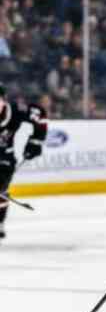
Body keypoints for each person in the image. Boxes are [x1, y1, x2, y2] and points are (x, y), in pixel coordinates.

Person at [0, 83, 48, 240]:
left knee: (1, 189)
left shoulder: (16, 110)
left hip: (5, 157)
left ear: (4, 100)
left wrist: (36, 142)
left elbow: (39, 113)